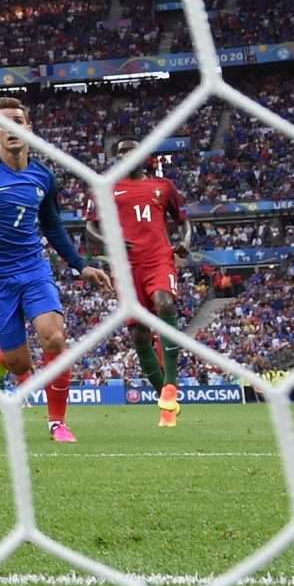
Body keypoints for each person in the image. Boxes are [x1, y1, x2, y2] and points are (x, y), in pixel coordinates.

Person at [0, 100, 113, 445]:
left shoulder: (44, 177)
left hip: (33, 267)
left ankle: (57, 423)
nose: (12, 127)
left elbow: (53, 226)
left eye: (19, 120)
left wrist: (81, 265)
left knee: (55, 337)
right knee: (19, 363)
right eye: (5, 123)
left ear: (28, 128)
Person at [109, 144, 189, 428]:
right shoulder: (108, 187)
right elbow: (91, 226)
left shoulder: (163, 186)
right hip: (126, 265)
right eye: (123, 153)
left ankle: (170, 384)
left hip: (159, 258)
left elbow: (183, 221)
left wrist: (185, 242)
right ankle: (166, 405)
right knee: (140, 336)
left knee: (165, 302)